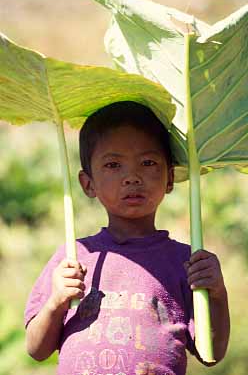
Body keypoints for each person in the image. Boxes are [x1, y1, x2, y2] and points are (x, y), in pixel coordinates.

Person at [25, 101, 230, 375]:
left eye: (148, 163)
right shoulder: (73, 258)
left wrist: (217, 293)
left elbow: (211, 354)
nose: (132, 177)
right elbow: (37, 350)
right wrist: (55, 304)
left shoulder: (187, 262)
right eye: (113, 164)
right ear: (88, 184)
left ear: (169, 179)